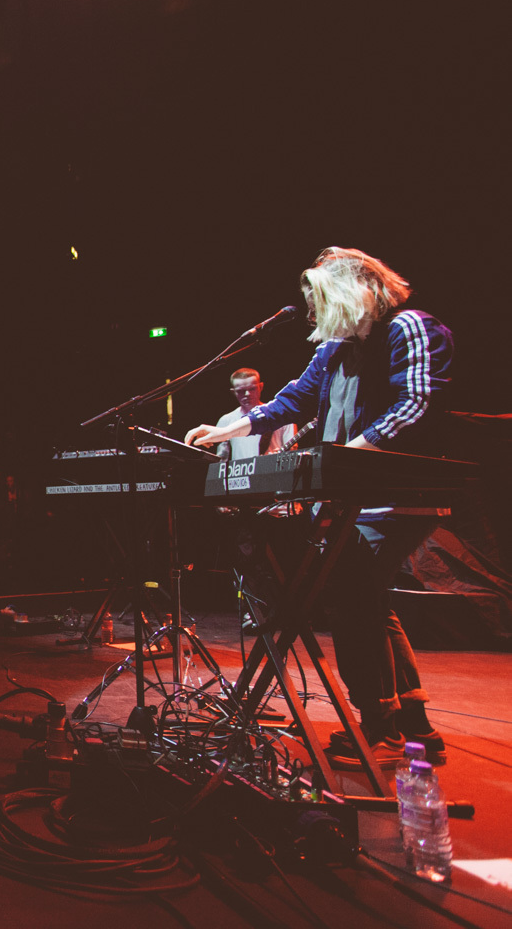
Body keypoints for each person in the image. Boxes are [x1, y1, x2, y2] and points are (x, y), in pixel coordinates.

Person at [185, 247, 454, 769]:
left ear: (351, 292)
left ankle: (381, 729)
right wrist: (224, 431)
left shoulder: (409, 327)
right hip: (356, 492)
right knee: (367, 596)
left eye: (318, 302)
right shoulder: (335, 349)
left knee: (352, 594)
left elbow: (416, 403)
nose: (312, 315)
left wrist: (348, 458)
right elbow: (292, 400)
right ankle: (415, 725)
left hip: (394, 495)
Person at [215, 368, 296, 460]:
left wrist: (282, 455)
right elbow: (221, 459)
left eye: (252, 389)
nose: (247, 394)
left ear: (261, 387)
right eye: (241, 391)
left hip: (272, 468)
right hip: (241, 469)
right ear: (233, 392)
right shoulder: (226, 420)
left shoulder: (281, 414)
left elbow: (292, 451)